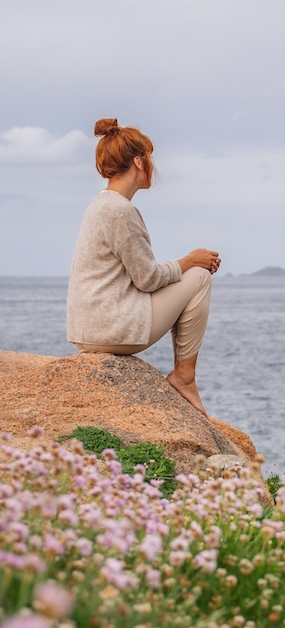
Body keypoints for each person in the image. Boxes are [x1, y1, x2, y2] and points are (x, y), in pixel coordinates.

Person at [67, 117, 220, 417]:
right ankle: (184, 377)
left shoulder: (101, 204)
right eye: (149, 157)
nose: (152, 165)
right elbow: (148, 279)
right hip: (113, 330)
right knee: (200, 277)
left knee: (193, 272)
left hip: (87, 330)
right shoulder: (119, 210)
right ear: (138, 162)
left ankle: (183, 377)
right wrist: (190, 261)